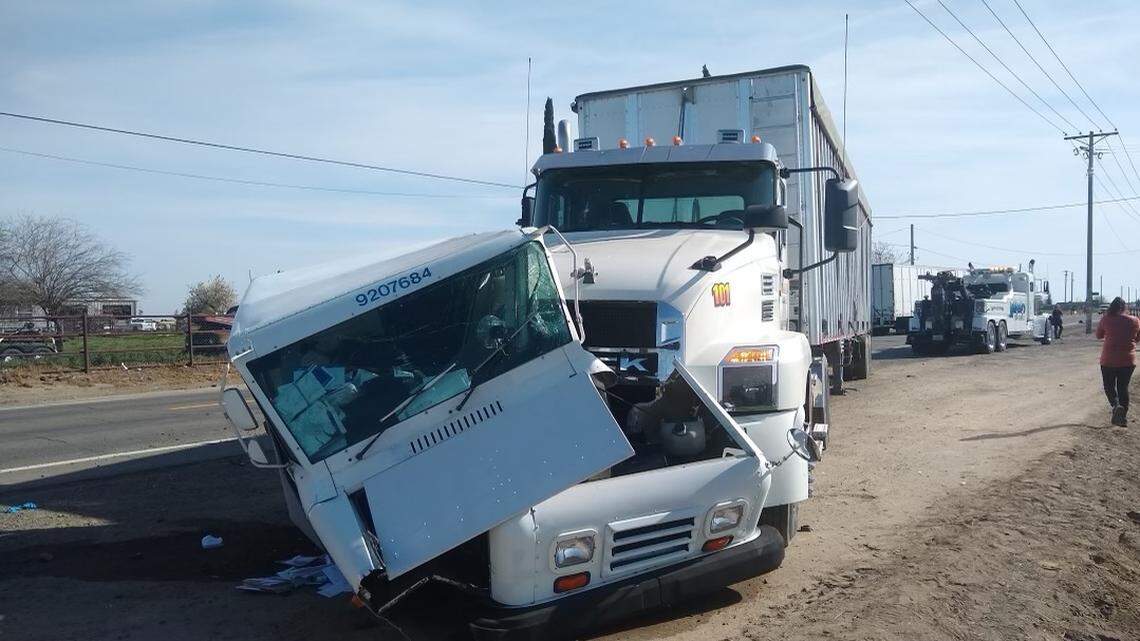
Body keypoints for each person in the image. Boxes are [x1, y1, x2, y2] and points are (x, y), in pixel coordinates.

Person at [1095, 297, 1140, 426]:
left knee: (1109, 386)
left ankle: (1115, 405)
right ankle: (1123, 418)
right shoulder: (1135, 321)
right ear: (1124, 308)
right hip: (1128, 360)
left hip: (1108, 360)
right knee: (1123, 387)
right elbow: (1137, 338)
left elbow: (1099, 335)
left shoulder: (1106, 319)